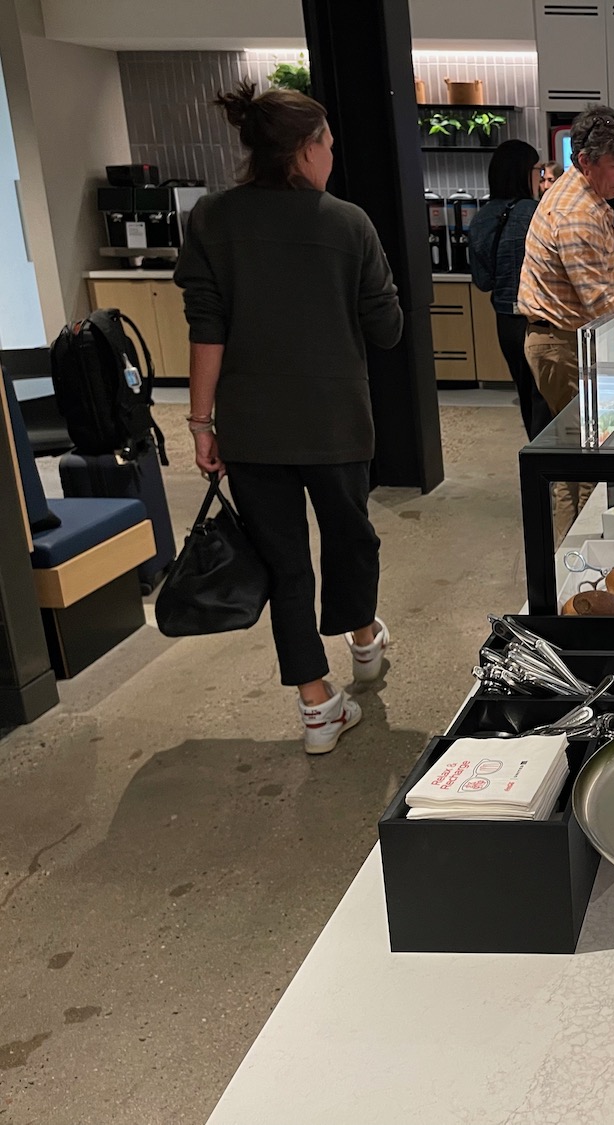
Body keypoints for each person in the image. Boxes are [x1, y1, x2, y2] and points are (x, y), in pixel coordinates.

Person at [174, 79, 402, 755]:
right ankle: (362, 637)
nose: (332, 153)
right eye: (327, 142)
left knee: (283, 563)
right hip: (335, 423)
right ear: (305, 150)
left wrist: (200, 423)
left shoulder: (212, 219)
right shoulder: (347, 223)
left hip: (252, 428)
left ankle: (316, 704)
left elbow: (205, 327)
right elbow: (386, 329)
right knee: (350, 536)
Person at [518, 104, 614, 533]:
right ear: (584, 160)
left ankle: (575, 560)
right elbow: (601, 307)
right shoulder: (578, 212)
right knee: (587, 467)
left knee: (579, 462)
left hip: (579, 341)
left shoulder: (589, 198)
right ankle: (576, 571)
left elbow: (594, 284)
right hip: (565, 345)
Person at [470, 139, 552, 439]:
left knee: (527, 400)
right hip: (540, 320)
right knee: (546, 402)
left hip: (506, 322)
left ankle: (535, 470)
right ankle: (550, 474)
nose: (541, 177)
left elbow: (482, 281)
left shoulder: (480, 218)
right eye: (538, 169)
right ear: (523, 172)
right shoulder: (537, 213)